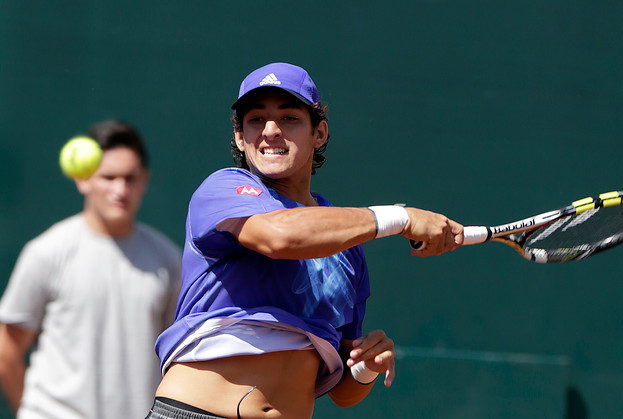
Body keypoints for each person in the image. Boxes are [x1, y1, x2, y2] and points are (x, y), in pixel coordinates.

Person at [147, 63, 464, 419]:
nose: (270, 131)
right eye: (255, 120)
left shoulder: (345, 243)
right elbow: (281, 236)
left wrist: (367, 367)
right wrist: (401, 217)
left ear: (319, 133)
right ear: (239, 137)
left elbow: (343, 391)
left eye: (289, 119)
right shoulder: (221, 190)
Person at [0, 120, 182, 419]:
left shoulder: (168, 259)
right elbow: (7, 350)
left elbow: (177, 358)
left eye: (130, 178)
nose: (120, 189)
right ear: (83, 179)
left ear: (144, 180)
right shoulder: (46, 252)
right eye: (108, 177)